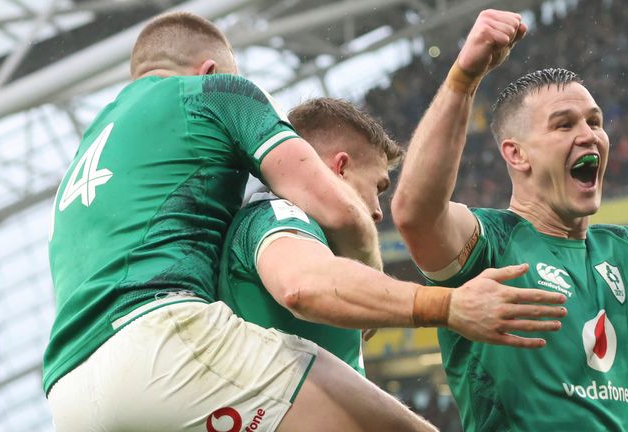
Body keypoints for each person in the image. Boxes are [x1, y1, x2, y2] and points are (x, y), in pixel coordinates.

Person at [391, 9, 628, 432]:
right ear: (517, 154)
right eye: (564, 124)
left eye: (595, 121)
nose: (588, 135)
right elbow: (415, 214)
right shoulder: (489, 245)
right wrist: (463, 78)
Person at [45, 11, 383, 432]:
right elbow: (337, 209)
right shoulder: (213, 92)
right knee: (384, 423)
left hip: (67, 395)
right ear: (209, 71)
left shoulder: (83, 158)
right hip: (157, 342)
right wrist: (371, 285)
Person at [217, 97, 568, 430]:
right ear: (340, 168)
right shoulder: (276, 213)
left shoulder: (302, 232)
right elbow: (301, 286)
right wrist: (449, 305)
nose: (377, 211)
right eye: (378, 187)